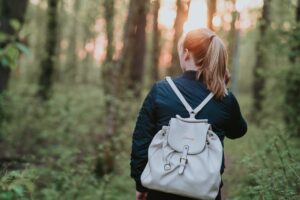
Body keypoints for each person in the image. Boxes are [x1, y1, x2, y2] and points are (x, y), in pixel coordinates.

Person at [130, 28, 248, 200]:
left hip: (161, 189)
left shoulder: (161, 90)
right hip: (205, 192)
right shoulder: (224, 98)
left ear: (186, 54)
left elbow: (141, 141)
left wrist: (141, 184)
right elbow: (238, 131)